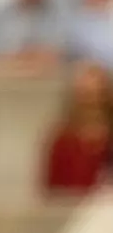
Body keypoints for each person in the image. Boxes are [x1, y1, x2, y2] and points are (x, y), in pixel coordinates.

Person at [43, 61, 112, 195]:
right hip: (71, 209)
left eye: (96, 95)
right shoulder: (64, 140)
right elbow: (52, 188)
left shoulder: (108, 140)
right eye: (86, 96)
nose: (91, 103)